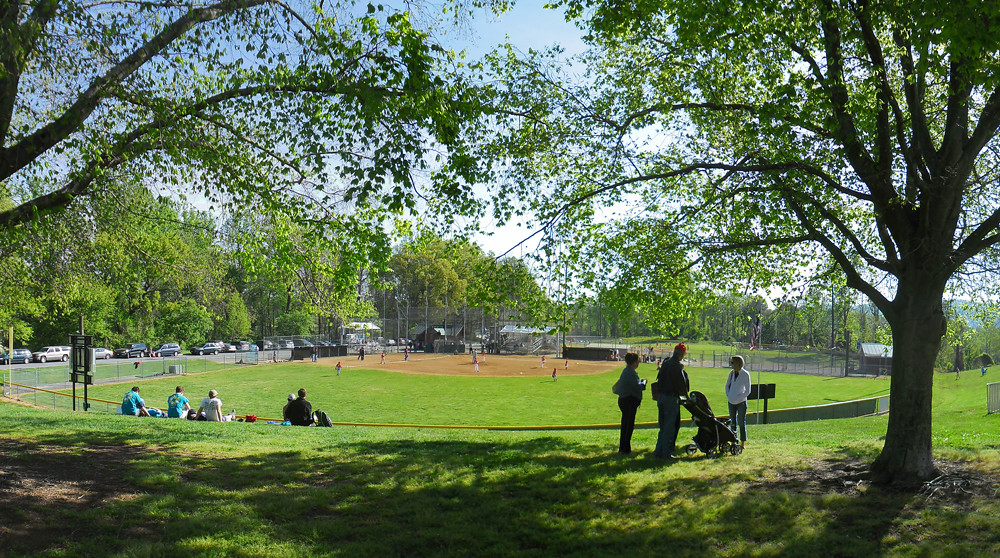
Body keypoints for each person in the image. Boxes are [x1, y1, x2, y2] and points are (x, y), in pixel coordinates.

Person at [653, 343, 689, 459]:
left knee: (663, 427)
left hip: (661, 397)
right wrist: (686, 397)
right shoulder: (676, 366)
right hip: (670, 398)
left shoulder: (666, 363)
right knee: (669, 427)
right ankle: (666, 453)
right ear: (682, 354)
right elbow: (682, 385)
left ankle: (658, 451)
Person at [614, 352, 645, 455]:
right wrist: (643, 383)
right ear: (634, 362)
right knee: (628, 426)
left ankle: (624, 448)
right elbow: (637, 386)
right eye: (637, 361)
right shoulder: (630, 373)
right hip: (629, 401)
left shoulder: (627, 371)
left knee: (626, 424)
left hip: (625, 400)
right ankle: (625, 449)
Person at [725, 355, 751, 448]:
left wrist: (738, 398)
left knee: (741, 422)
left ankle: (743, 443)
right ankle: (733, 441)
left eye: (732, 362)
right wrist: (729, 395)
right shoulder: (731, 373)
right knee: (732, 422)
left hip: (741, 403)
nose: (731, 364)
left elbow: (748, 391)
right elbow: (727, 385)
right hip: (731, 402)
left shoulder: (745, 374)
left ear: (738, 363)